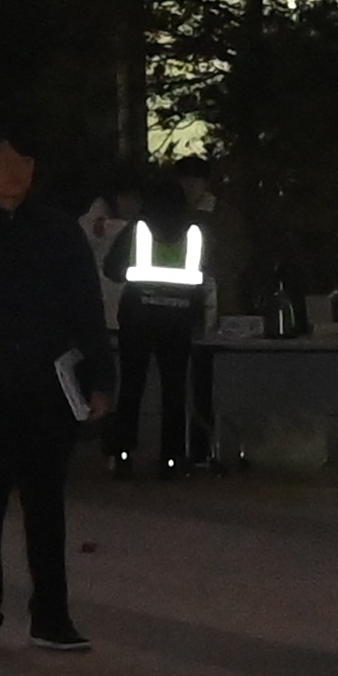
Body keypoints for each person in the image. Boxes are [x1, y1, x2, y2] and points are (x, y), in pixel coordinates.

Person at [0, 128, 105, 652]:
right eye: (2, 162)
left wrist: (100, 380)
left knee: (46, 510)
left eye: (24, 162)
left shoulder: (59, 232)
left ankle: (51, 617)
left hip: (44, 391)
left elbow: (87, 309)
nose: (14, 173)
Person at [112, 162, 220, 474]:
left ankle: (122, 456)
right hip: (178, 322)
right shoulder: (195, 233)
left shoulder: (136, 230)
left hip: (137, 320)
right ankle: (172, 459)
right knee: (174, 391)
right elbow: (205, 275)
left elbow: (112, 269)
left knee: (131, 387)